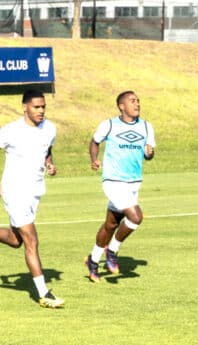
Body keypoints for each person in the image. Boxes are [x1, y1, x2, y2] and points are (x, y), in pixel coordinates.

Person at [0, 90, 64, 308]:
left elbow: (46, 149)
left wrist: (49, 163)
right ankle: (44, 294)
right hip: (15, 191)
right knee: (32, 241)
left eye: (43, 106)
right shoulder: (11, 131)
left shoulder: (50, 128)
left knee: (15, 240)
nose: (41, 111)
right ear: (25, 107)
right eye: (36, 107)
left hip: (36, 191)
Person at [84, 91, 156, 283]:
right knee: (136, 217)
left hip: (134, 182)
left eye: (138, 101)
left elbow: (149, 154)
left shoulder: (147, 127)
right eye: (132, 101)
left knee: (111, 224)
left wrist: (149, 153)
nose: (137, 104)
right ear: (121, 106)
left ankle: (92, 260)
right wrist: (94, 159)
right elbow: (95, 141)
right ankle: (113, 251)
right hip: (113, 181)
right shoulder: (109, 124)